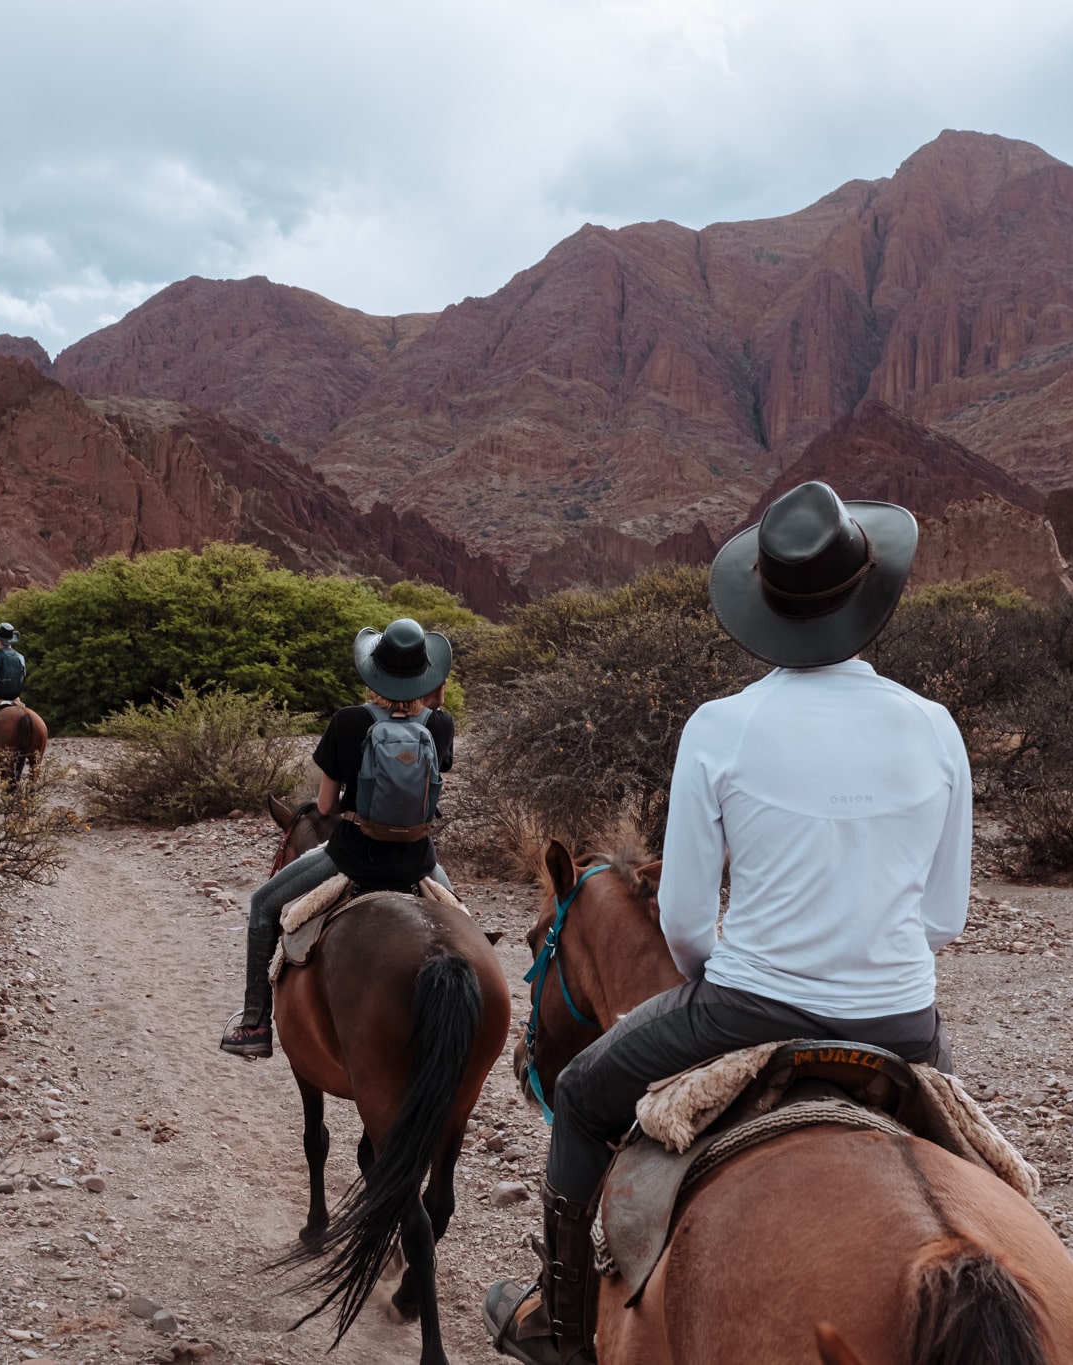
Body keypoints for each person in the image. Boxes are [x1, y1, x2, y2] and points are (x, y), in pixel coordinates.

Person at [484, 481, 971, 1365]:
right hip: (903, 1021)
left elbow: (682, 918)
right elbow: (944, 915)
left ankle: (558, 1326)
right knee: (968, 1161)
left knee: (587, 1096)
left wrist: (730, 971)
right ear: (871, 596)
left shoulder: (722, 726)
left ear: (767, 607)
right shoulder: (937, 728)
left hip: (745, 1010)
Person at [219, 617, 456, 1059]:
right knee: (462, 924)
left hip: (353, 856)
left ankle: (253, 1025)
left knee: (263, 905)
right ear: (428, 675)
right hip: (419, 860)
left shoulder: (348, 722)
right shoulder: (441, 726)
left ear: (375, 673)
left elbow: (326, 809)